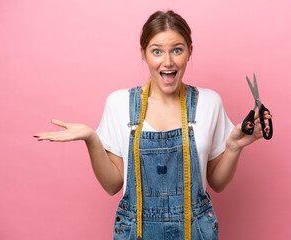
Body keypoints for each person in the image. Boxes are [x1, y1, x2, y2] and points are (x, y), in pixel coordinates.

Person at [34, 10, 272, 240]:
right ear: (143, 53)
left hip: (196, 232)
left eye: (177, 50)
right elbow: (112, 185)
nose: (167, 62)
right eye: (156, 51)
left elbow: (217, 184)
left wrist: (233, 146)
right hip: (135, 232)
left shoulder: (209, 102)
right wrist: (91, 139)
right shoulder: (119, 104)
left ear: (190, 51)